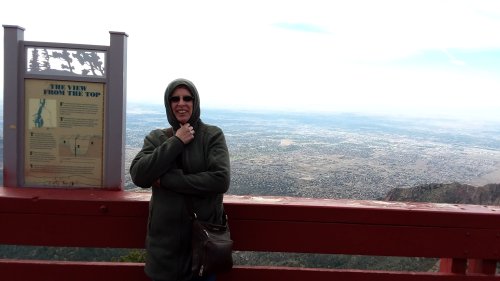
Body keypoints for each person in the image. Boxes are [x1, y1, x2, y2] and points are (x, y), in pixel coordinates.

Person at [130, 78, 231, 281]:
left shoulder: (212, 136)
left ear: (196, 102)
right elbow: (139, 175)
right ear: (169, 105)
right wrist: (176, 141)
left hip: (202, 249)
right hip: (164, 255)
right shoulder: (157, 138)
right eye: (174, 99)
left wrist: (166, 180)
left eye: (187, 98)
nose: (181, 103)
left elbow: (220, 180)